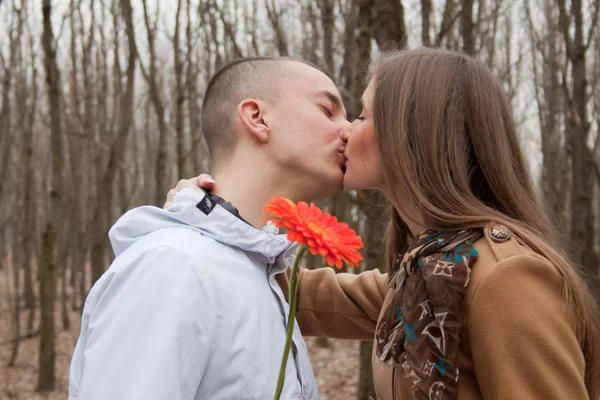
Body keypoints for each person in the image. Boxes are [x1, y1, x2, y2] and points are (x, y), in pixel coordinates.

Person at [167, 49, 600, 400]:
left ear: (412, 131)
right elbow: (303, 294)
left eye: (361, 116)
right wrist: (212, 221)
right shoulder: (431, 272)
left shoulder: (503, 276)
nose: (346, 131)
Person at [68, 57, 353, 400]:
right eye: (328, 110)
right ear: (258, 118)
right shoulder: (175, 267)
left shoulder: (262, 275)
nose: (348, 130)